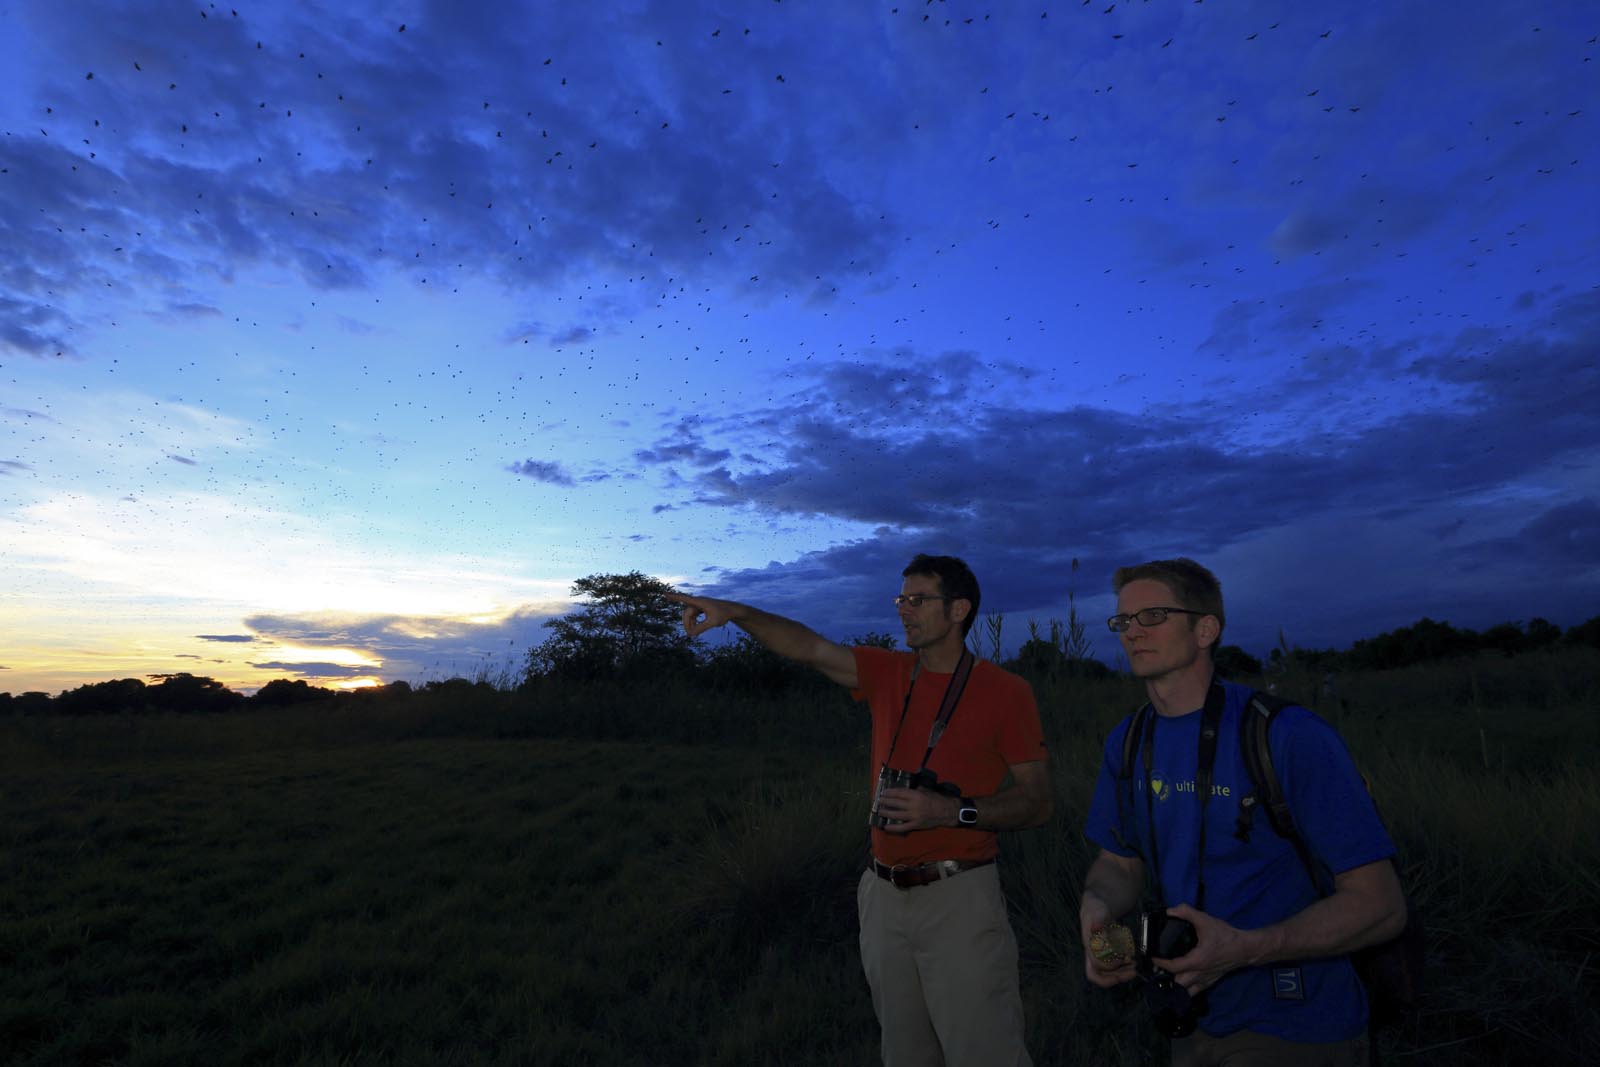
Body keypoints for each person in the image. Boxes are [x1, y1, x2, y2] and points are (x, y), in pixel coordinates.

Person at [670, 554, 1051, 1067]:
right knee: (903, 1051)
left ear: (959, 609)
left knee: (984, 1050)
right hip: (882, 897)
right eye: (901, 599)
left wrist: (949, 811)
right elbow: (807, 647)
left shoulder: (1006, 692)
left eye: (918, 600)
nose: (904, 610)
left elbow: (1037, 801)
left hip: (959, 897)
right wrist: (737, 612)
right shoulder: (888, 672)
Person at [1079, 558, 1406, 1067]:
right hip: (1192, 1016)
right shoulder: (1129, 741)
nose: (1132, 633)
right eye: (1123, 621)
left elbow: (1381, 905)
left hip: (1295, 1025)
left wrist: (1246, 948)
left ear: (1205, 628)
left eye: (1154, 616)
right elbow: (1118, 864)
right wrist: (1097, 911)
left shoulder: (1287, 736)